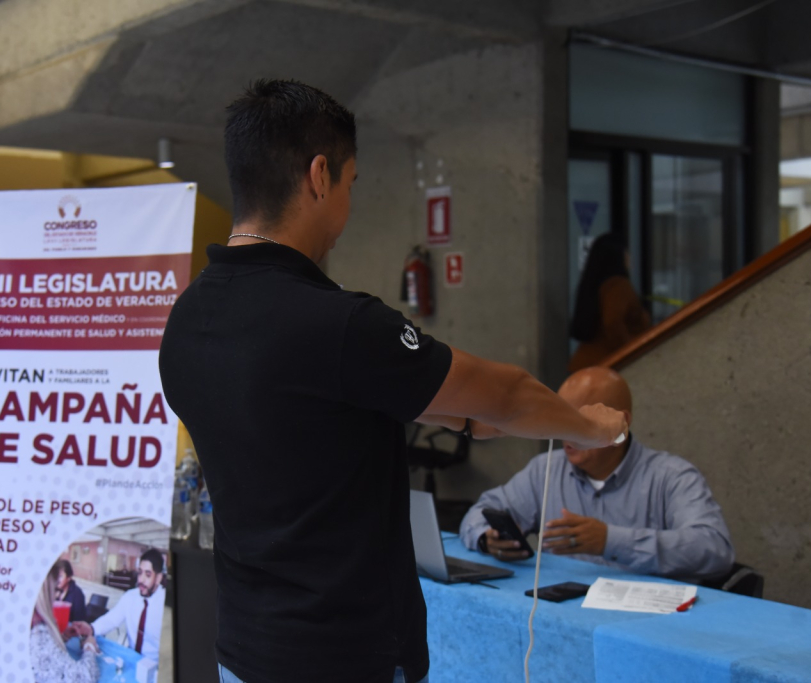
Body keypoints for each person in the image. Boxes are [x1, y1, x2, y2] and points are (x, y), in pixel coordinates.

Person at [159, 79, 627, 683]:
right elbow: (506, 395)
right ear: (320, 176)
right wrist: (589, 427)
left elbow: (322, 410)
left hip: (244, 649)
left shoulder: (187, 320)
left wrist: (471, 415)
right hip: (345, 657)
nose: (349, 206)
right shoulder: (337, 325)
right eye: (351, 183)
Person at [460, 366, 735, 582]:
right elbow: (479, 513)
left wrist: (610, 541)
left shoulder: (671, 477)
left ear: (621, 421)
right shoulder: (546, 469)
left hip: (644, 621)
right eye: (558, 418)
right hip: (560, 611)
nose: (563, 431)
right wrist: (487, 539)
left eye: (577, 420)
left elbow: (715, 549)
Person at [568, 233, 650, 372]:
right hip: (605, 367)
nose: (629, 257)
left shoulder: (595, 285)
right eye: (626, 252)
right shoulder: (618, 286)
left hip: (585, 365)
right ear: (618, 256)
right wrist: (631, 352)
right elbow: (612, 323)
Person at [67, 549, 165, 664]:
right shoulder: (130, 596)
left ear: (158, 578)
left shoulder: (165, 607)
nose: (141, 579)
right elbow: (111, 619)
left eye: (148, 575)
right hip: (131, 659)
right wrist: (91, 628)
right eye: (140, 572)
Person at [30, 564, 99, 683]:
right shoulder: (38, 631)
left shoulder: (77, 594)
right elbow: (83, 678)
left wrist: (61, 637)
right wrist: (89, 647)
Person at [53, 559, 87, 624]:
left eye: (60, 576)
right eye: (56, 575)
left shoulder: (77, 594)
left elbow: (79, 620)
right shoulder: (54, 590)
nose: (57, 579)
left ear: (69, 578)